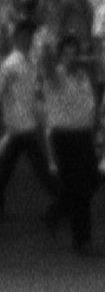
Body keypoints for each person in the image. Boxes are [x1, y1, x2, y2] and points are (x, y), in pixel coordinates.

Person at [43, 36, 100, 255]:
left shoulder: (82, 75)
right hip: (64, 136)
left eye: (74, 52)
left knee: (91, 180)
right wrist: (49, 52)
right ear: (61, 54)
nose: (72, 56)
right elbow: (47, 66)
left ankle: (57, 211)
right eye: (67, 52)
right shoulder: (57, 74)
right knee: (78, 187)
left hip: (83, 134)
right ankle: (82, 238)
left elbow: (89, 103)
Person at [0, 21, 57, 222]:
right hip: (20, 125)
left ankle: (59, 201)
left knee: (7, 169)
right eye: (26, 35)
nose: (30, 39)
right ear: (17, 37)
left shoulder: (28, 62)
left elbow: (35, 89)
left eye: (31, 35)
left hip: (25, 124)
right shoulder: (10, 65)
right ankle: (60, 202)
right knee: (41, 166)